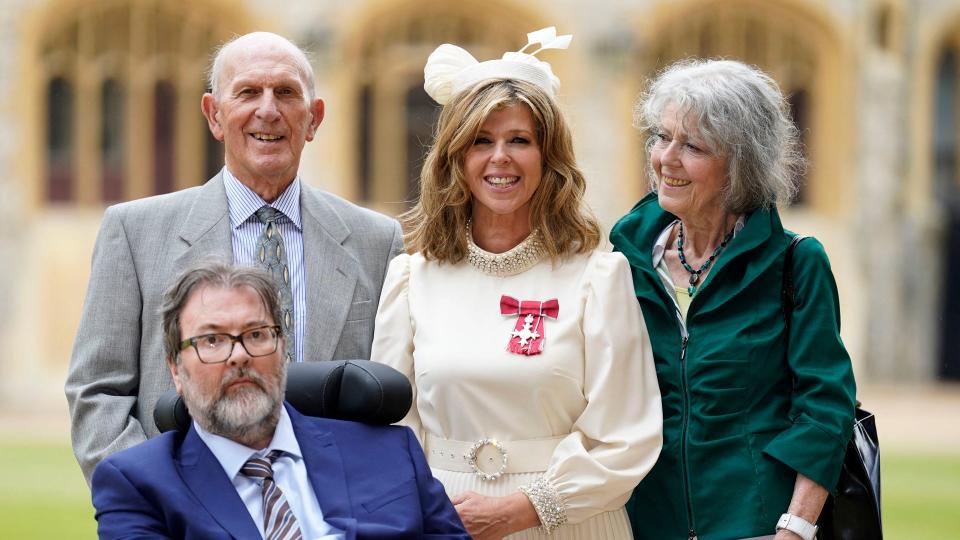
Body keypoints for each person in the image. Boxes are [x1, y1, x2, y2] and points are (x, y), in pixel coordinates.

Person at [65, 31, 403, 483]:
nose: (268, 109)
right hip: (187, 508)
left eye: (286, 92)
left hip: (334, 510)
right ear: (214, 115)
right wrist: (158, 500)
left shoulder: (376, 241)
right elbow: (97, 392)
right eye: (247, 92)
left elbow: (395, 395)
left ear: (314, 119)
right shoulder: (133, 232)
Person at [371, 28, 663, 540]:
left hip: (570, 521)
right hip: (443, 520)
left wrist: (528, 508)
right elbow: (391, 427)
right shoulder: (411, 278)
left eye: (519, 141)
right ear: (455, 158)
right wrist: (429, 509)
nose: (499, 157)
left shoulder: (599, 277)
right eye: (480, 141)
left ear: (548, 158)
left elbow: (627, 436)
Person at [609, 59, 857, 540]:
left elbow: (825, 409)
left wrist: (795, 529)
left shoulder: (796, 263)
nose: (666, 159)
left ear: (742, 164)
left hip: (757, 523)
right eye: (662, 137)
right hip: (644, 523)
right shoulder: (624, 256)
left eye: (693, 146)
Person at [91, 263, 468, 539]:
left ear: (282, 349)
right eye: (212, 341)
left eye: (256, 335)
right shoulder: (140, 484)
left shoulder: (388, 451)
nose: (238, 355)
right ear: (175, 369)